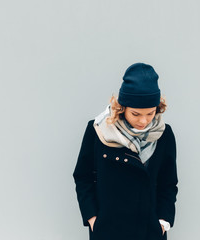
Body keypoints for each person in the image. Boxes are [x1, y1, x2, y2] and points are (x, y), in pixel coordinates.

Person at [72, 63, 178, 240]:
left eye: (150, 114)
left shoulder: (164, 135)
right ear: (122, 108)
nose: (143, 121)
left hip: (149, 231)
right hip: (108, 230)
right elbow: (83, 176)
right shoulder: (98, 130)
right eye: (136, 114)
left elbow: (168, 183)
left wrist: (163, 222)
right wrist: (92, 219)